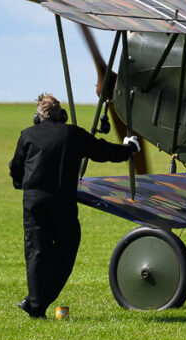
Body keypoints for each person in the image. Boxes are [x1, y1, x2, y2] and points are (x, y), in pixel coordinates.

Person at [9, 93, 139, 319]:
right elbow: (104, 152)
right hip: (63, 203)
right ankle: (35, 305)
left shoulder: (27, 135)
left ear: (36, 117)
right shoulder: (72, 134)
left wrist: (22, 185)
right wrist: (130, 148)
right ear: (63, 115)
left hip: (34, 203)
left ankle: (35, 304)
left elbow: (15, 168)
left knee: (36, 253)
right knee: (66, 251)